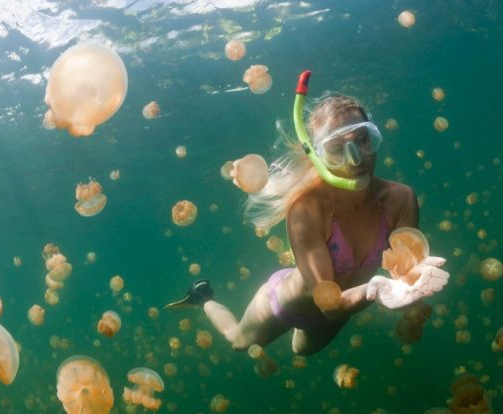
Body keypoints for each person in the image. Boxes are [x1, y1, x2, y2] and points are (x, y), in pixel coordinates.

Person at [168, 72, 449, 355]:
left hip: (343, 308)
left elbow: (406, 271)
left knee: (301, 352)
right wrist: (373, 289)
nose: (355, 159)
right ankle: (203, 297)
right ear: (317, 156)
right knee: (238, 341)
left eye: (363, 140)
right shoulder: (306, 210)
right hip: (287, 305)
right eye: (336, 150)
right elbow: (329, 304)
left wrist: (412, 275)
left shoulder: (401, 200)